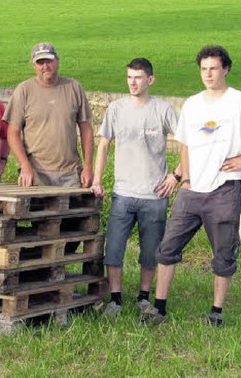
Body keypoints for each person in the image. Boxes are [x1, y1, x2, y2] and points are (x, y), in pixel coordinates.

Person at [140, 45, 241, 326]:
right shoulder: (193, 103)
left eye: (214, 68)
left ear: (226, 69)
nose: (208, 74)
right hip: (192, 191)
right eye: (204, 69)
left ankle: (216, 312)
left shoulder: (240, 102)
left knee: (223, 253)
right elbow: (185, 144)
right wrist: (185, 178)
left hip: (224, 190)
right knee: (167, 248)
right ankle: (159, 308)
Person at [92, 58, 180, 319]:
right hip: (123, 193)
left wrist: (176, 176)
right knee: (114, 249)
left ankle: (143, 296)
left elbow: (188, 142)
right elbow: (104, 145)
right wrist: (97, 180)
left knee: (151, 251)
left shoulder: (163, 110)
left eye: (138, 77)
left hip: (155, 195)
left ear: (150, 80)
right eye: (129, 77)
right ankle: (116, 299)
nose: (133, 82)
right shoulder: (116, 109)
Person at [3, 42, 94, 188]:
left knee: (74, 211)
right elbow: (12, 133)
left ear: (57, 61)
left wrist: (88, 166)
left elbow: (86, 129)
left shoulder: (73, 87)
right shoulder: (24, 90)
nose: (45, 66)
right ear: (34, 66)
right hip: (36, 174)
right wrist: (24, 164)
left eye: (49, 61)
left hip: (70, 173)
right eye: (40, 62)